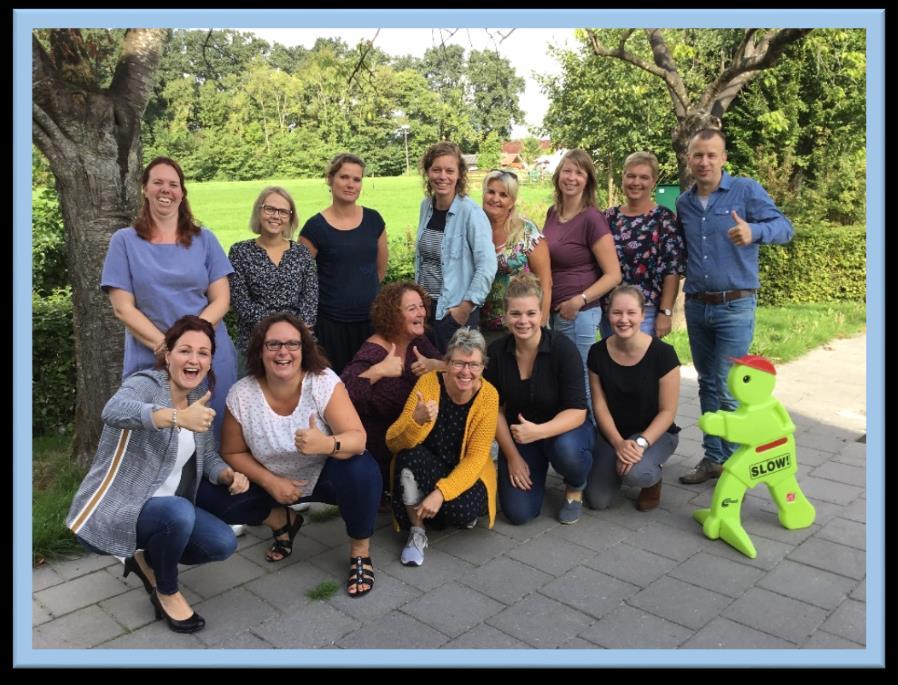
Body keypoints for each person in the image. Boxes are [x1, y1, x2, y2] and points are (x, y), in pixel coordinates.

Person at [67, 316, 250, 634]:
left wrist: (227, 475)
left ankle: (147, 558)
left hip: (165, 510)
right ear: (168, 355)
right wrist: (174, 416)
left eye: (203, 353)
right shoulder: (147, 384)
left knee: (222, 543)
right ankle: (166, 590)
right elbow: (113, 409)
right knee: (178, 512)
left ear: (209, 360)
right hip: (118, 506)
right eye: (185, 350)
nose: (194, 360)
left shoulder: (199, 395)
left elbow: (206, 455)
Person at [197, 313, 382, 597]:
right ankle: (281, 520)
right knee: (209, 494)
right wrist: (270, 481)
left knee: (361, 469)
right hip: (272, 481)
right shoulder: (241, 394)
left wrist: (326, 444)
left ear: (304, 349)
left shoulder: (321, 382)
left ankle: (359, 552)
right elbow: (231, 451)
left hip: (324, 476)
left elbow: (358, 439)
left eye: (292, 344)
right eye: (273, 344)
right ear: (260, 350)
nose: (283, 352)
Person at [676, 129, 794, 485]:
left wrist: (754, 233)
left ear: (724, 158)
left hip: (735, 306)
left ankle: (736, 466)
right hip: (697, 306)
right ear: (689, 159)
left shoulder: (746, 191)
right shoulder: (683, 202)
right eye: (698, 155)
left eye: (712, 155)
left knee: (729, 388)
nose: (704, 161)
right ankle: (714, 459)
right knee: (706, 384)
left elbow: (784, 228)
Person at [101, 156, 238, 442]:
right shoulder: (124, 241)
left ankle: (217, 485)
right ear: (145, 190)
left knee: (214, 435)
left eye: (173, 184)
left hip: (209, 354)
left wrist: (192, 345)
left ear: (182, 192)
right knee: (155, 436)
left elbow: (221, 299)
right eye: (158, 183)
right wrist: (168, 348)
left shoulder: (206, 239)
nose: (166, 190)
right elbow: (122, 308)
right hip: (152, 352)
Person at [484, 273, 594, 525]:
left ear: (541, 313)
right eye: (516, 314)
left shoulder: (562, 348)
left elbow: (578, 411)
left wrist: (539, 432)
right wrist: (512, 456)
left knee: (566, 451)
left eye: (531, 313)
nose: (523, 321)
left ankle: (575, 486)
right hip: (522, 436)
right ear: (505, 315)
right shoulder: (497, 353)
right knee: (518, 513)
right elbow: (494, 410)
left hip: (565, 430)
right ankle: (537, 469)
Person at [386, 328, 498, 567]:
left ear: (483, 367)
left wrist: (441, 493)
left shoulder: (488, 396)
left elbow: (476, 459)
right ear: (446, 363)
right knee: (407, 458)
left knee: (463, 513)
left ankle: (427, 505)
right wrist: (415, 421)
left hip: (464, 468)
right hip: (429, 463)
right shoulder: (428, 383)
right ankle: (417, 531)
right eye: (459, 363)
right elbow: (392, 442)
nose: (466, 372)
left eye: (474, 365)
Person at [340, 281, 445, 504]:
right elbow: (343, 391)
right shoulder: (374, 350)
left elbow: (455, 370)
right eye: (412, 308)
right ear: (393, 316)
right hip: (383, 447)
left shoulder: (417, 341)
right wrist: (379, 370)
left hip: (415, 432)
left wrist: (435, 364)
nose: (421, 313)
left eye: (421, 306)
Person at [584, 286, 681, 512]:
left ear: (642, 315)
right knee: (598, 500)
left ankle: (652, 479)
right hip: (613, 434)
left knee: (638, 474)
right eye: (617, 313)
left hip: (655, 434)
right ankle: (619, 464)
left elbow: (668, 412)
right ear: (608, 314)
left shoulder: (663, 354)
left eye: (631, 313)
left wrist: (640, 444)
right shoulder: (597, 352)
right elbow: (599, 405)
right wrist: (618, 443)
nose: (623, 319)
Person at [542, 149, 621, 411]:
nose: (572, 177)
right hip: (555, 312)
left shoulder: (592, 219)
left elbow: (613, 274)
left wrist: (579, 300)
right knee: (562, 382)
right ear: (558, 175)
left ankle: (589, 446)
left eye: (579, 172)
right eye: (567, 170)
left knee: (581, 386)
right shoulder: (553, 213)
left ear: (587, 180)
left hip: (579, 315)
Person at [299, 153, 388, 374]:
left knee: (370, 384)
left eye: (356, 179)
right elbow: (301, 279)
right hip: (330, 326)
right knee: (335, 385)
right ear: (330, 179)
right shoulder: (315, 228)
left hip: (371, 323)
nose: (350, 184)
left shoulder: (373, 220)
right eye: (344, 177)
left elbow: (379, 270)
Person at [415, 141, 497, 353]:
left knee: (457, 374)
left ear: (459, 174)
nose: (443, 176)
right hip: (426, 310)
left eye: (449, 170)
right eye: (436, 170)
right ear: (428, 172)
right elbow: (423, 260)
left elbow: (487, 265)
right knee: (430, 375)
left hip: (453, 313)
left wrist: (465, 308)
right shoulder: (426, 207)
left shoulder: (471, 213)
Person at [228, 186, 318, 376]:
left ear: (290, 217)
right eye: (270, 209)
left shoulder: (302, 253)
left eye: (283, 211)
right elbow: (241, 303)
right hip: (254, 346)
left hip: (295, 347)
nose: (276, 216)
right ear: (259, 211)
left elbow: (310, 300)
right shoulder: (240, 252)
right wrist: (279, 330)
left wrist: (290, 335)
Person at [599, 151, 686, 340]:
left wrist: (666, 312)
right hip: (610, 311)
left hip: (646, 311)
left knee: (640, 367)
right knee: (610, 366)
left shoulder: (663, 219)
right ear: (622, 177)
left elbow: (672, 270)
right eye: (631, 176)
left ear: (653, 181)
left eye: (644, 177)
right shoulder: (608, 217)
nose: (636, 182)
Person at [479, 169, 552, 347]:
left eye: (503, 195)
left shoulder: (527, 231)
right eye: (491, 192)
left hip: (521, 326)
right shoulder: (474, 227)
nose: (495, 199)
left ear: (512, 201)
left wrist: (539, 327)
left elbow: (545, 282)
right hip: (479, 326)